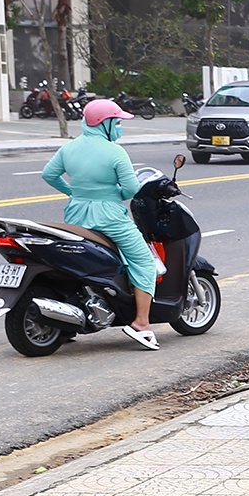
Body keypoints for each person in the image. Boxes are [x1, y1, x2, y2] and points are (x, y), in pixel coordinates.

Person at [40, 99, 160, 349]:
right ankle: (141, 322)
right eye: (117, 123)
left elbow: (49, 174)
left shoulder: (69, 148)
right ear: (104, 124)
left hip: (76, 214)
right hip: (110, 217)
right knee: (143, 261)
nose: (119, 128)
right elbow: (130, 189)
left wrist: (73, 192)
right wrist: (112, 193)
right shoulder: (115, 152)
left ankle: (66, 325)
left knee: (75, 264)